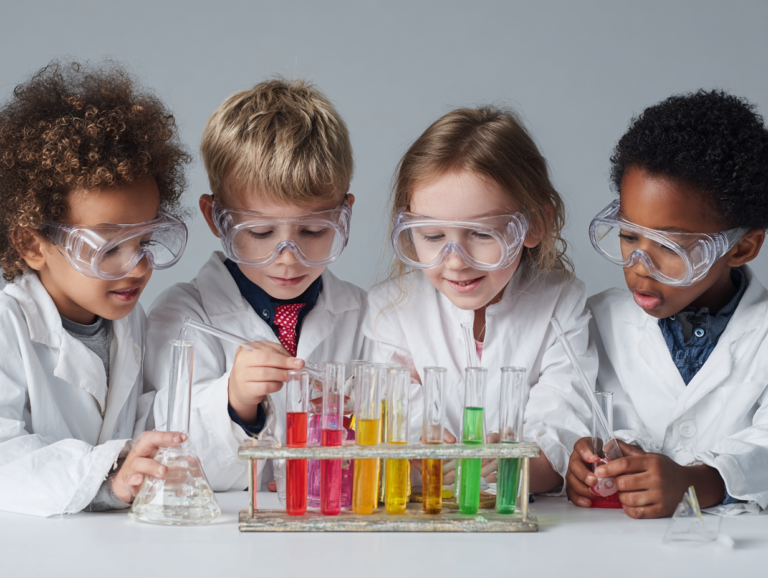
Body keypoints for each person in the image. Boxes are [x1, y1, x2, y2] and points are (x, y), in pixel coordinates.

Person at [144, 78, 369, 491]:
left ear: (343, 214)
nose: (288, 257)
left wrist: (361, 419)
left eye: (314, 230)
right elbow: (169, 455)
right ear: (216, 218)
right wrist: (235, 400)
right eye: (262, 232)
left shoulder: (364, 315)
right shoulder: (182, 316)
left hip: (329, 534)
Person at [362, 106, 596, 493]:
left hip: (525, 520)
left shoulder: (561, 302)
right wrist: (430, 465)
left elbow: (563, 420)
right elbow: (397, 425)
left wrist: (520, 468)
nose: (455, 261)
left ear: (534, 225)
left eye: (483, 234)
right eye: (432, 237)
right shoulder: (392, 309)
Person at [0, 61, 191, 516]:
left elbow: (151, 424)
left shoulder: (130, 322)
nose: (137, 267)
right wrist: (108, 472)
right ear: (32, 244)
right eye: (107, 249)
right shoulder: (8, 326)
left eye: (145, 241)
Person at [567, 90, 768, 517]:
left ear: (742, 248)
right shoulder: (597, 320)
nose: (640, 266)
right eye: (627, 236)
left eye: (670, 247)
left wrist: (700, 482)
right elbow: (581, 416)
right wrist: (592, 456)